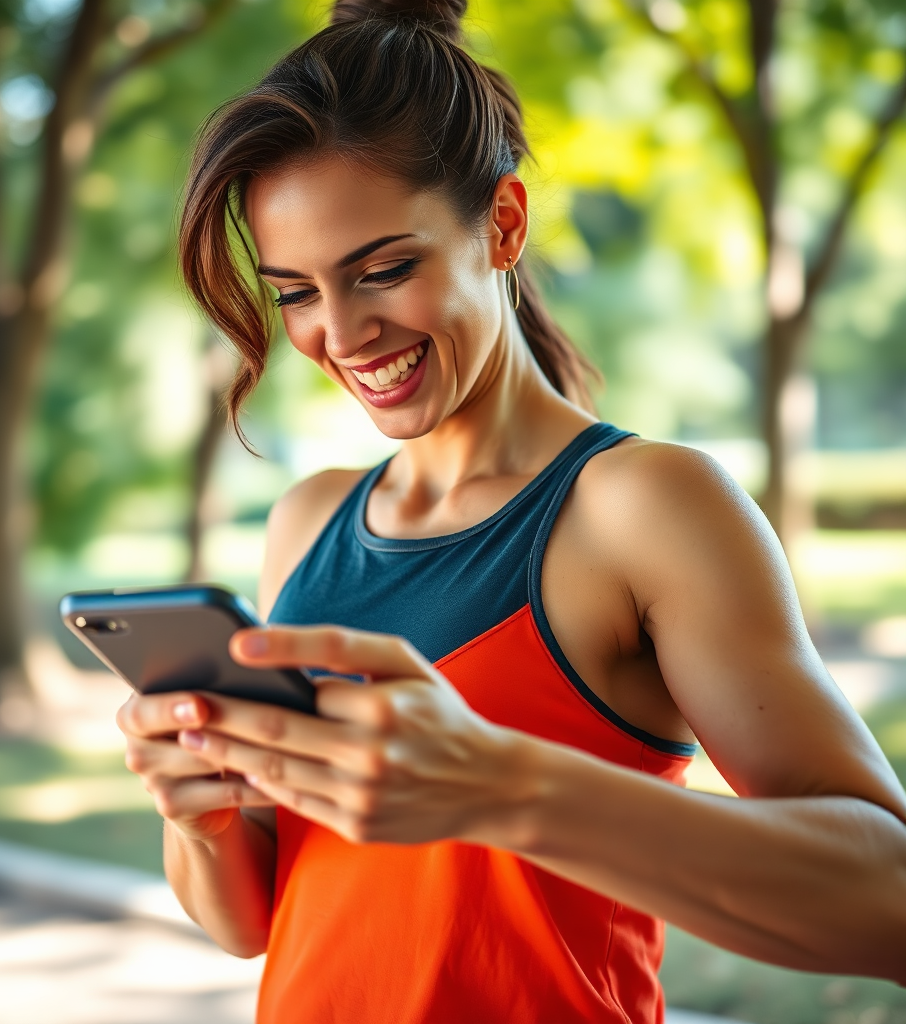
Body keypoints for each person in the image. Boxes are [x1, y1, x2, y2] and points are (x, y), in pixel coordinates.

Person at [116, 2, 906, 1020]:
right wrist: (201, 820)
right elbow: (257, 920)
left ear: (502, 223)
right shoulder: (306, 523)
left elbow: (886, 898)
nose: (341, 334)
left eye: (385, 269)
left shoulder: (641, 505)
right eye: (294, 293)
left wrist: (500, 784)